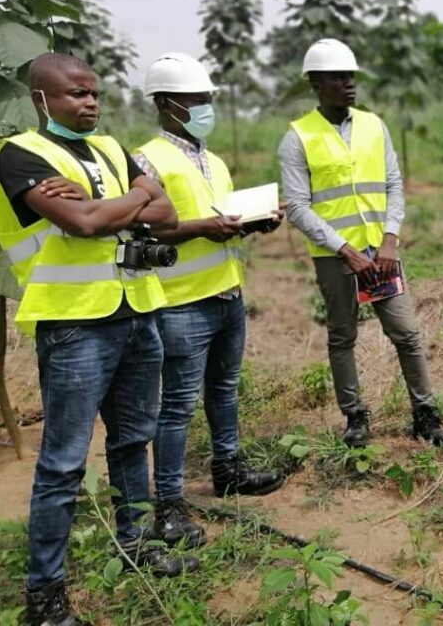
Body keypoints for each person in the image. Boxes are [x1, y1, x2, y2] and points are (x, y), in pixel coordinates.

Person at [0, 54, 194, 626]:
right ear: (41, 99)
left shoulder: (111, 147)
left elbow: (166, 210)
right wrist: (132, 199)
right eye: (74, 95)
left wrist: (107, 204)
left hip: (137, 311)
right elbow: (83, 225)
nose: (89, 103)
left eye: (93, 94)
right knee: (62, 463)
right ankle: (45, 595)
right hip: (75, 324)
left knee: (134, 439)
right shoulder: (19, 155)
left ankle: (135, 544)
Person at [133, 52, 285, 551]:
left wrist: (253, 221)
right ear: (167, 104)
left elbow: (222, 217)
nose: (205, 108)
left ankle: (228, 468)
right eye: (197, 100)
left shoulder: (214, 160)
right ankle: (170, 505)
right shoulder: (146, 159)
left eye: (208, 99)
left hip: (226, 293)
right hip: (181, 304)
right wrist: (206, 228)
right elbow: (143, 225)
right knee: (176, 407)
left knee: (224, 390)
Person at [278, 38, 443, 449]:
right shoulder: (297, 137)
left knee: (406, 334)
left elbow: (393, 183)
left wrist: (390, 238)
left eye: (351, 76)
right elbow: (298, 207)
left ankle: (425, 414)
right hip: (336, 257)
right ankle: (355, 417)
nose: (348, 83)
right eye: (338, 77)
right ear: (317, 83)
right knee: (342, 336)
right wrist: (345, 250)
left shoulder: (374, 125)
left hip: (381, 254)